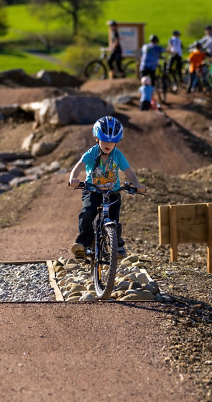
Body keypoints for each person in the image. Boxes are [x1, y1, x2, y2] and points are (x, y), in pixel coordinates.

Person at [68, 116, 146, 259]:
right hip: (92, 190)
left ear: (117, 142)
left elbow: (129, 173)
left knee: (114, 219)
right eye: (104, 140)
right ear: (97, 138)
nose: (108, 144)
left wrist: (137, 185)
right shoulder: (92, 153)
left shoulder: (118, 155)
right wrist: (73, 178)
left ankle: (117, 244)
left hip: (112, 192)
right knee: (87, 213)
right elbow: (79, 166)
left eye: (112, 141)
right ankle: (84, 243)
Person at [139, 34, 167, 102]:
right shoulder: (157, 47)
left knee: (143, 82)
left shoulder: (145, 46)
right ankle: (151, 96)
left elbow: (141, 55)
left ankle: (143, 96)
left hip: (143, 66)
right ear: (156, 41)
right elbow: (166, 50)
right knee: (152, 81)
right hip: (152, 67)